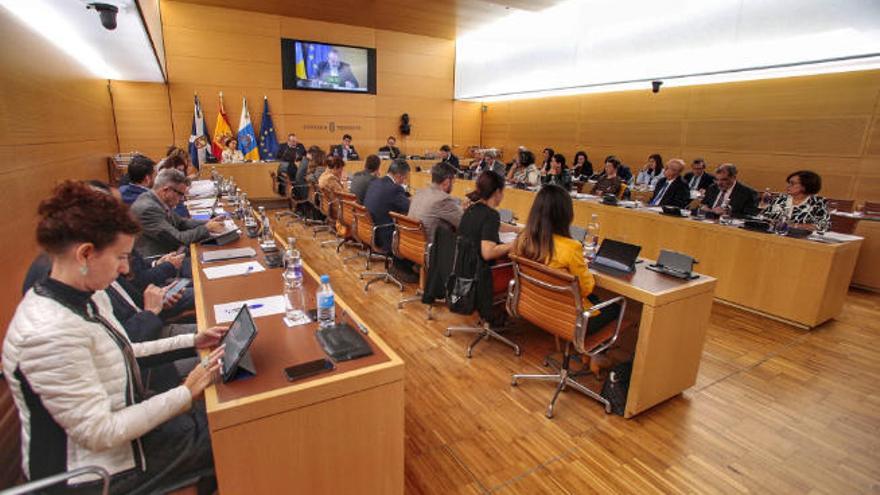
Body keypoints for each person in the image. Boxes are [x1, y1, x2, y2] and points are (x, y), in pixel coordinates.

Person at [3, 181, 227, 493]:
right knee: (230, 429)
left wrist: (193, 341)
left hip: (125, 440)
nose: (125, 270)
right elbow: (100, 432)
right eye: (121, 257)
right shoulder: (46, 333)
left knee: (223, 410)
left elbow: (125, 349)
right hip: (94, 475)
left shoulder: (84, 294)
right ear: (85, 255)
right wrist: (186, 392)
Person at [513, 184, 620, 333]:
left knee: (595, 300)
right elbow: (586, 289)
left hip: (536, 307)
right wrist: (583, 266)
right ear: (566, 214)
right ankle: (594, 348)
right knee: (617, 307)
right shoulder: (571, 248)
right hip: (568, 320)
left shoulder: (523, 238)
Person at [131, 169, 226, 257]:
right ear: (166, 190)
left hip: (172, 254)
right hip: (158, 261)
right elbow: (178, 239)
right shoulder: (148, 209)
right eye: (180, 194)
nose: (182, 199)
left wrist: (208, 222)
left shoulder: (156, 199)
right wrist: (206, 228)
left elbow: (181, 222)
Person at [363, 159, 416, 282]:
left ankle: (401, 267)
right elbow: (409, 207)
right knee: (413, 231)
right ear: (398, 176)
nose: (405, 181)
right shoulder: (395, 189)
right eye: (405, 178)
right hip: (384, 235)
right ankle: (402, 268)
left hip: (370, 231)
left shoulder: (375, 182)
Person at [458, 171, 518, 264]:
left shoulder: (472, 208)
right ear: (498, 192)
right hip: (481, 273)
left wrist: (517, 229)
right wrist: (515, 244)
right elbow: (488, 253)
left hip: (464, 267)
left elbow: (493, 225)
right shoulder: (491, 215)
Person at [409, 162, 464, 244]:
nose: (453, 185)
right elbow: (463, 223)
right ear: (446, 182)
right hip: (431, 250)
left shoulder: (419, 192)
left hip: (411, 245)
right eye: (453, 182)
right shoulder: (443, 200)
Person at [760, 170, 830, 231]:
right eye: (789, 183)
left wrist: (794, 225)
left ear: (805, 185)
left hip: (801, 239)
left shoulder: (818, 202)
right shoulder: (780, 198)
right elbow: (763, 217)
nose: (788, 186)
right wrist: (763, 205)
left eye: (792, 183)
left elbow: (823, 226)